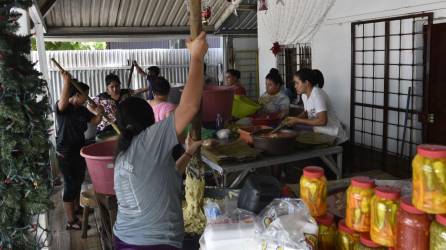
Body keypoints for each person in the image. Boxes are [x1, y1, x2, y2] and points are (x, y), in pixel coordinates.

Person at [112, 31, 208, 250]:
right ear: (147, 119)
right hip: (154, 244)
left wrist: (189, 152)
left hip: (125, 239)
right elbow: (190, 106)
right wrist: (196, 58)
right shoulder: (147, 139)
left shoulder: (124, 152)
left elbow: (167, 174)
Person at [55, 71, 104, 230]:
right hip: (65, 152)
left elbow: (95, 121)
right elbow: (62, 104)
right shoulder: (64, 107)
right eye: (85, 95)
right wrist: (66, 82)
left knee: (78, 181)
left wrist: (100, 112)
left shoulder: (82, 109)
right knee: (70, 185)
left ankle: (76, 208)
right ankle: (70, 220)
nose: (87, 98)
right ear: (76, 95)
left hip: (79, 150)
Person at [285, 68, 347, 144]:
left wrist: (297, 120)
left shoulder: (317, 94)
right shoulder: (304, 95)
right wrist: (294, 119)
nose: (295, 86)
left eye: (297, 83)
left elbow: (322, 121)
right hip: (322, 135)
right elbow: (307, 112)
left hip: (335, 137)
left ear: (306, 83)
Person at [91, 73, 149, 139]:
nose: (115, 89)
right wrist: (98, 112)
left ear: (120, 85)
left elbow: (137, 91)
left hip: (123, 127)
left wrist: (150, 87)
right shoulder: (102, 97)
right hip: (106, 129)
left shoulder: (125, 93)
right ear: (107, 87)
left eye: (117, 86)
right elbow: (89, 105)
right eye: (112, 87)